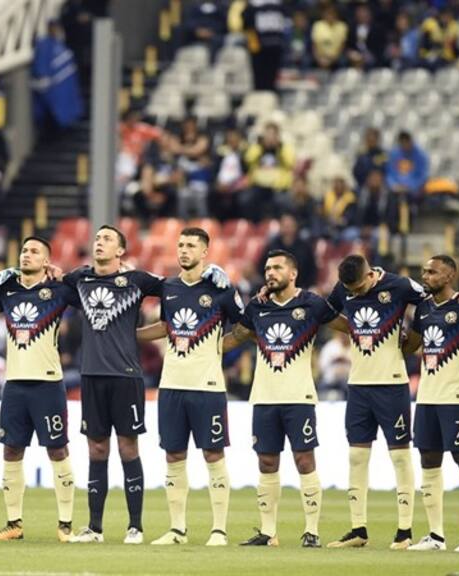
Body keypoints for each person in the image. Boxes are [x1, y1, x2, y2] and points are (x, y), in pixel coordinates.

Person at [58, 225, 228, 544]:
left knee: (127, 447)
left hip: (126, 376)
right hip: (91, 376)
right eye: (96, 238)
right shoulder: (79, 279)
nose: (99, 243)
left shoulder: (137, 282)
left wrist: (212, 272)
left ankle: (135, 526)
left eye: (107, 239)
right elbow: (52, 283)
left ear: (121, 250)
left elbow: (178, 286)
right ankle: (95, 528)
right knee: (96, 449)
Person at [224, 250, 341, 547]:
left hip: (299, 396)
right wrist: (203, 344)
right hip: (264, 396)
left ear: (293, 274)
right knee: (266, 461)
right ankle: (268, 532)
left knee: (304, 460)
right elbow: (238, 336)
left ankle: (312, 531)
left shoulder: (312, 304)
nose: (270, 273)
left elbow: (344, 323)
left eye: (277, 268)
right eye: (267, 268)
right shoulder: (257, 307)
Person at [137, 228, 244, 547]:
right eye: (180, 244)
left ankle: (219, 530)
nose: (183, 250)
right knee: (173, 455)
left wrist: (216, 348)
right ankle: (177, 529)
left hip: (208, 387)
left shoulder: (221, 289)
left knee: (213, 454)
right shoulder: (168, 287)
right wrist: (131, 334)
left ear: (205, 252)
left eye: (191, 246)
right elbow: (167, 328)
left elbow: (245, 326)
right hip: (171, 385)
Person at [325, 254, 428, 550]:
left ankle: (405, 531)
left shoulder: (398, 285)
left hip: (392, 385)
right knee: (356, 457)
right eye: (350, 291)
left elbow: (429, 302)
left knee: (399, 456)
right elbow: (327, 313)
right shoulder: (343, 288)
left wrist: (413, 339)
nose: (353, 294)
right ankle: (358, 530)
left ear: (370, 276)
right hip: (358, 386)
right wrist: (353, 328)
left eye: (358, 288)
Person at [0, 237, 80, 542]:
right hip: (14, 384)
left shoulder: (59, 290)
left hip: (48, 383)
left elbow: (86, 297)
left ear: (46, 260)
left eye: (34, 251)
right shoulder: (8, 289)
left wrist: (66, 276)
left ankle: (65, 524)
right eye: (24, 250)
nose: (27, 254)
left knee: (57, 449)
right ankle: (14, 524)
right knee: (12, 450)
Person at [402, 255, 459, 551]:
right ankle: (435, 535)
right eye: (424, 270)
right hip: (426, 398)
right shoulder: (423, 308)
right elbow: (411, 344)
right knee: (428, 460)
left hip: (457, 397)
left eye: (432, 272)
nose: (426, 276)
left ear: (450, 276)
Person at [243, 122, 295, 221]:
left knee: (283, 201)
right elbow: (248, 159)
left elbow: (290, 162)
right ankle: (253, 226)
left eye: (273, 135)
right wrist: (261, 147)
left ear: (277, 136)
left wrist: (279, 147)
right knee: (245, 199)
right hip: (258, 186)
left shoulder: (284, 148)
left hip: (278, 187)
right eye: (268, 134)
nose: (270, 138)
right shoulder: (258, 146)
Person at [259, 214, 317, 289]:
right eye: (285, 226)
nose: (287, 229)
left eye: (290, 226)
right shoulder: (272, 246)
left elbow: (311, 270)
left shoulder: (305, 247)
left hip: (299, 288)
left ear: (296, 227)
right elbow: (262, 268)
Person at [242, 0, 285, 90]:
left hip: (273, 44)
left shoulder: (278, 5)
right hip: (260, 45)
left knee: (269, 75)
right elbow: (246, 24)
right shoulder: (253, 5)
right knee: (261, 76)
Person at [386, 131, 429, 205]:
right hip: (396, 189)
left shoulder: (421, 156)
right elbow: (390, 173)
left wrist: (409, 186)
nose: (405, 146)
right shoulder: (394, 154)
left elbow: (422, 176)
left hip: (414, 190)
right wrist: (393, 185)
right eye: (402, 143)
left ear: (411, 141)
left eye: (406, 143)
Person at [346, 3, 387, 69]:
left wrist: (367, 57)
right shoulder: (351, 29)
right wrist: (351, 54)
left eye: (364, 12)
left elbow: (380, 47)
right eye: (360, 12)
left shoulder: (377, 29)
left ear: (369, 14)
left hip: (372, 59)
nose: (362, 14)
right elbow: (348, 46)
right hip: (355, 58)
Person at [311, 5, 348, 70]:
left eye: (332, 14)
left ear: (336, 15)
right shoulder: (318, 25)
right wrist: (319, 58)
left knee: (343, 61)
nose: (330, 16)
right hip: (320, 57)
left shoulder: (342, 26)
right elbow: (314, 45)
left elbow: (343, 46)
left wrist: (332, 59)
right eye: (328, 14)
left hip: (336, 57)